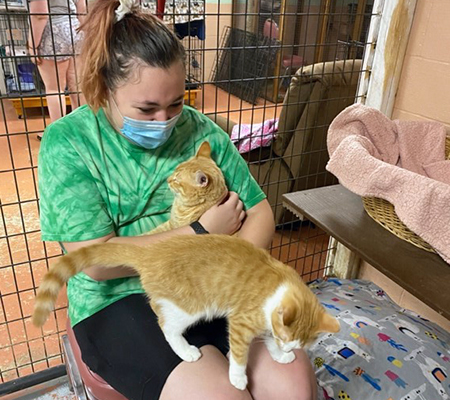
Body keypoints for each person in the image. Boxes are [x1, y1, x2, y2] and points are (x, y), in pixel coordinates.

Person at [37, 0, 318, 399]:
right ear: (105, 88)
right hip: (120, 299)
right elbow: (96, 262)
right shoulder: (69, 143)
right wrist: (201, 232)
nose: (165, 122)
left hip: (214, 285)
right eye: (147, 109)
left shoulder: (203, 134)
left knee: (294, 386)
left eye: (175, 104)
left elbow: (259, 212)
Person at [27, 0, 86, 138]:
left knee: (54, 89)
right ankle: (82, 129)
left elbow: (40, 14)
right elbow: (81, 7)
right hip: (76, 29)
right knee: (76, 85)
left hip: (53, 30)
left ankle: (58, 134)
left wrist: (32, 46)